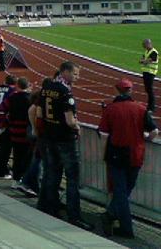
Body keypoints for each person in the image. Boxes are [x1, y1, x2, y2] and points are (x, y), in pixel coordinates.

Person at [99, 78, 158, 239]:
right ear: (130, 91)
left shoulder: (110, 109)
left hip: (116, 155)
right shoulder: (141, 109)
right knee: (125, 191)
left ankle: (125, 227)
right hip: (136, 155)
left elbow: (104, 135)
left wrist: (102, 155)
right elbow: (154, 132)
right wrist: (143, 139)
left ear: (117, 91)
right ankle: (110, 215)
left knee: (120, 192)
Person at [37, 61, 92, 230]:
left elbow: (40, 114)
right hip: (65, 139)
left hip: (49, 137)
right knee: (72, 179)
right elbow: (69, 120)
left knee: (52, 174)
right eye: (75, 74)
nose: (77, 77)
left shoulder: (46, 88)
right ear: (65, 72)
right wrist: (77, 126)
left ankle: (50, 207)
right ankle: (74, 215)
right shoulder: (65, 91)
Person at [6, 77, 32, 188]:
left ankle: (15, 180)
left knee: (16, 156)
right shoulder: (29, 99)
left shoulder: (12, 97)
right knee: (26, 157)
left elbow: (3, 108)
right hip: (25, 131)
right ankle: (23, 179)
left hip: (14, 130)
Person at [139, 38, 158, 111]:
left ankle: (152, 107)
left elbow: (147, 61)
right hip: (146, 72)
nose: (144, 47)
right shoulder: (146, 51)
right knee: (147, 89)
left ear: (148, 44)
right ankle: (150, 106)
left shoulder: (154, 52)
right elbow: (141, 60)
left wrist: (144, 61)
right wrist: (143, 61)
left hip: (151, 72)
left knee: (150, 89)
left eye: (144, 45)